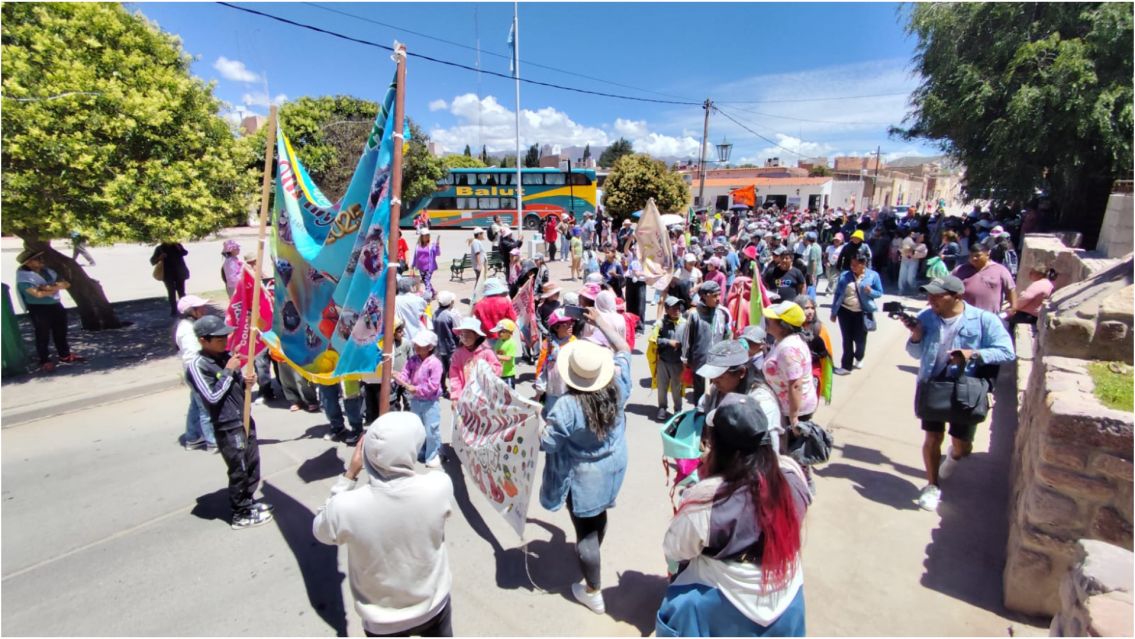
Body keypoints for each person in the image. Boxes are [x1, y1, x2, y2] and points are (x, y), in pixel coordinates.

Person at [656, 393, 810, 637]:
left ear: (717, 445)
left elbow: (675, 549)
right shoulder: (792, 475)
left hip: (720, 605)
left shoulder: (706, 498)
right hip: (787, 602)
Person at [312, 412, 455, 637]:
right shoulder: (439, 486)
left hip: (382, 621)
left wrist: (349, 475)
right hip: (433, 606)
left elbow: (320, 530)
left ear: (365, 453)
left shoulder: (346, 506)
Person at [540, 308, 632, 614]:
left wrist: (537, 427)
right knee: (599, 517)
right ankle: (592, 553)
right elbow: (624, 349)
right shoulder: (618, 387)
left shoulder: (566, 406)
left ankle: (593, 590)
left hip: (584, 478)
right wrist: (602, 322)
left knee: (585, 533)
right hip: (614, 467)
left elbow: (549, 443)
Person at [903, 276, 1015, 512]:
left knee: (962, 445)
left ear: (956, 296)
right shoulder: (926, 317)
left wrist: (972, 354)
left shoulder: (984, 320)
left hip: (965, 390)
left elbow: (1006, 352)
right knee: (932, 438)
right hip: (933, 385)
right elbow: (914, 353)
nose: (930, 299)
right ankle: (932, 485)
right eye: (929, 294)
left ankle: (954, 456)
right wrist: (916, 335)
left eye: (937, 295)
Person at [185, 315, 273, 529]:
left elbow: (233, 386)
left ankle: (249, 501)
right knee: (239, 468)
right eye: (219, 338)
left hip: (243, 418)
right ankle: (240, 513)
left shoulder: (225, 357)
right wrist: (229, 371)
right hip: (227, 425)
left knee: (252, 463)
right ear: (203, 340)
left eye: (226, 336)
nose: (224, 341)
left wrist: (245, 382)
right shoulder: (197, 366)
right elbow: (212, 398)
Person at [762, 302, 820, 493]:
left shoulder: (789, 348)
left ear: (783, 324)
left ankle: (800, 489)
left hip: (794, 409)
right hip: (787, 406)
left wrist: (794, 418)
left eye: (771, 320)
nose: (767, 322)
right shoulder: (784, 342)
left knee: (793, 453)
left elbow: (795, 384)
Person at [15, 249, 82, 373]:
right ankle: (44, 360)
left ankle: (65, 355)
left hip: (55, 305)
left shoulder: (47, 271)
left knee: (61, 332)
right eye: (37, 259)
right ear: (29, 263)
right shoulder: (24, 277)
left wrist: (46, 288)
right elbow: (37, 294)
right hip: (39, 308)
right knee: (42, 335)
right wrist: (55, 288)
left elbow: (66, 284)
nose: (41, 260)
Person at [829, 248, 884, 375]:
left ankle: (859, 357)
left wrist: (871, 292)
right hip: (845, 311)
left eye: (855, 265)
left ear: (863, 264)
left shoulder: (873, 276)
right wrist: (834, 312)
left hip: (862, 313)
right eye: (851, 264)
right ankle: (846, 366)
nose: (852, 267)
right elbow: (838, 294)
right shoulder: (845, 276)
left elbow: (880, 292)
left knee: (860, 339)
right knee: (846, 339)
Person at [395, 330, 444, 468]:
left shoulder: (435, 363)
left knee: (431, 430)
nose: (417, 347)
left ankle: (433, 454)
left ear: (430, 347)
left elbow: (433, 385)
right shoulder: (412, 360)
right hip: (416, 401)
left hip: (430, 402)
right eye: (416, 344)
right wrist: (399, 378)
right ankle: (422, 451)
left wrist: (416, 389)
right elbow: (405, 374)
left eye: (421, 345)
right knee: (419, 429)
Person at [174, 295, 217, 452]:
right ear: (190, 311)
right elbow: (193, 354)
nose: (203, 310)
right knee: (206, 406)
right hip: (197, 371)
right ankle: (212, 441)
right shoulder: (187, 330)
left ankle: (193, 437)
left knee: (196, 405)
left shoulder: (190, 326)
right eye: (199, 308)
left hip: (194, 370)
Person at [682, 281, 733, 404]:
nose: (718, 299)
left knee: (717, 396)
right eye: (715, 296)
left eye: (719, 295)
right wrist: (685, 361)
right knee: (700, 398)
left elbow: (728, 335)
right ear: (705, 296)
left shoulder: (723, 313)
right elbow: (687, 339)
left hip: (718, 364)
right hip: (700, 363)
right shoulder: (694, 315)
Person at [952, 242, 1017, 315]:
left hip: (989, 315)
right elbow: (948, 285)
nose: (973, 258)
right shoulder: (960, 270)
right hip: (964, 314)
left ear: (987, 254)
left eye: (977, 256)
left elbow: (1011, 289)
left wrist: (1013, 307)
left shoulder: (1000, 270)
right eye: (971, 256)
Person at [650, 296, 687, 421]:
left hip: (678, 363)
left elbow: (689, 342)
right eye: (673, 307)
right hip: (663, 361)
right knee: (662, 387)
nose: (677, 309)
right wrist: (668, 341)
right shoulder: (660, 324)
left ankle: (678, 410)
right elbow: (654, 340)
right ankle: (662, 408)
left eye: (679, 307)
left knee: (677, 388)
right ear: (666, 309)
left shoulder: (685, 324)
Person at [534, 309, 576, 418]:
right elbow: (541, 367)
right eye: (566, 324)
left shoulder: (574, 342)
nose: (570, 326)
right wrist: (539, 390)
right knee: (552, 417)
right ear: (556, 327)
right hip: (552, 389)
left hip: (569, 390)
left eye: (571, 322)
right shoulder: (548, 344)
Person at [447, 317, 502, 400]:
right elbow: (454, 376)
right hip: (466, 396)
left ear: (477, 335)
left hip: (485, 396)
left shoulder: (486, 351)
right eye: (462, 335)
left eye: (468, 335)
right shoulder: (458, 354)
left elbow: (498, 368)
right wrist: (455, 396)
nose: (464, 338)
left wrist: (488, 368)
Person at [151, 241, 190, 316]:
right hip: (167, 274)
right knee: (171, 292)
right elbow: (152, 261)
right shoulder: (160, 248)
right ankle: (174, 310)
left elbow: (185, 253)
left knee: (181, 292)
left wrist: (179, 248)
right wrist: (160, 258)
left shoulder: (177, 245)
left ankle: (185, 309)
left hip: (179, 273)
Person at [433, 291, 459, 398]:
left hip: (438, 347)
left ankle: (442, 388)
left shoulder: (435, 313)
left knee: (442, 370)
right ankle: (455, 390)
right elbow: (457, 330)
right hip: (451, 347)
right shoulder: (450, 315)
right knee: (453, 370)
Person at [394, 276, 428, 342]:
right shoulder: (418, 299)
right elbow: (424, 308)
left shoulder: (394, 300)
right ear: (411, 287)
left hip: (401, 335)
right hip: (417, 334)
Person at [412, 229, 442, 300]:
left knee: (426, 280)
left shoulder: (432, 244)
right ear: (421, 236)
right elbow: (415, 255)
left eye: (427, 235)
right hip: (420, 267)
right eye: (425, 236)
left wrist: (437, 245)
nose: (426, 237)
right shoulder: (418, 244)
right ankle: (433, 292)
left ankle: (427, 296)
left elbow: (438, 253)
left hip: (429, 267)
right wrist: (413, 265)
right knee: (425, 280)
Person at [492, 319, 519, 389]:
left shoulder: (511, 343)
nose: (499, 333)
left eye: (502, 332)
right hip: (499, 373)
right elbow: (495, 351)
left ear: (510, 332)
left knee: (509, 394)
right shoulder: (499, 341)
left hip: (508, 374)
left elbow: (508, 358)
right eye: (499, 331)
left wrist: (495, 356)